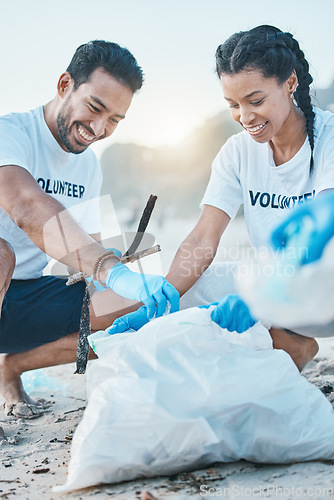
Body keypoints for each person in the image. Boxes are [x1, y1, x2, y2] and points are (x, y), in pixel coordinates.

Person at [112, 25, 334, 371]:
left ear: (290, 82)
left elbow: (322, 230)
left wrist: (261, 297)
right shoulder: (238, 152)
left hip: (324, 292)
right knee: (189, 289)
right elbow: (202, 238)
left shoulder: (329, 139)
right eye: (233, 105)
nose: (245, 118)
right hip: (278, 299)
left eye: (256, 101)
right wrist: (159, 305)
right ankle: (293, 346)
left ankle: (281, 335)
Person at [0, 40, 179, 413]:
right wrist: (108, 268)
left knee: (131, 302)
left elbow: (90, 253)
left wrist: (118, 270)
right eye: (95, 108)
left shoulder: (88, 166)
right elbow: (26, 208)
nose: (98, 128)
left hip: (22, 300)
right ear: (65, 85)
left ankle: (13, 368)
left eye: (115, 120)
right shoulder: (11, 134)